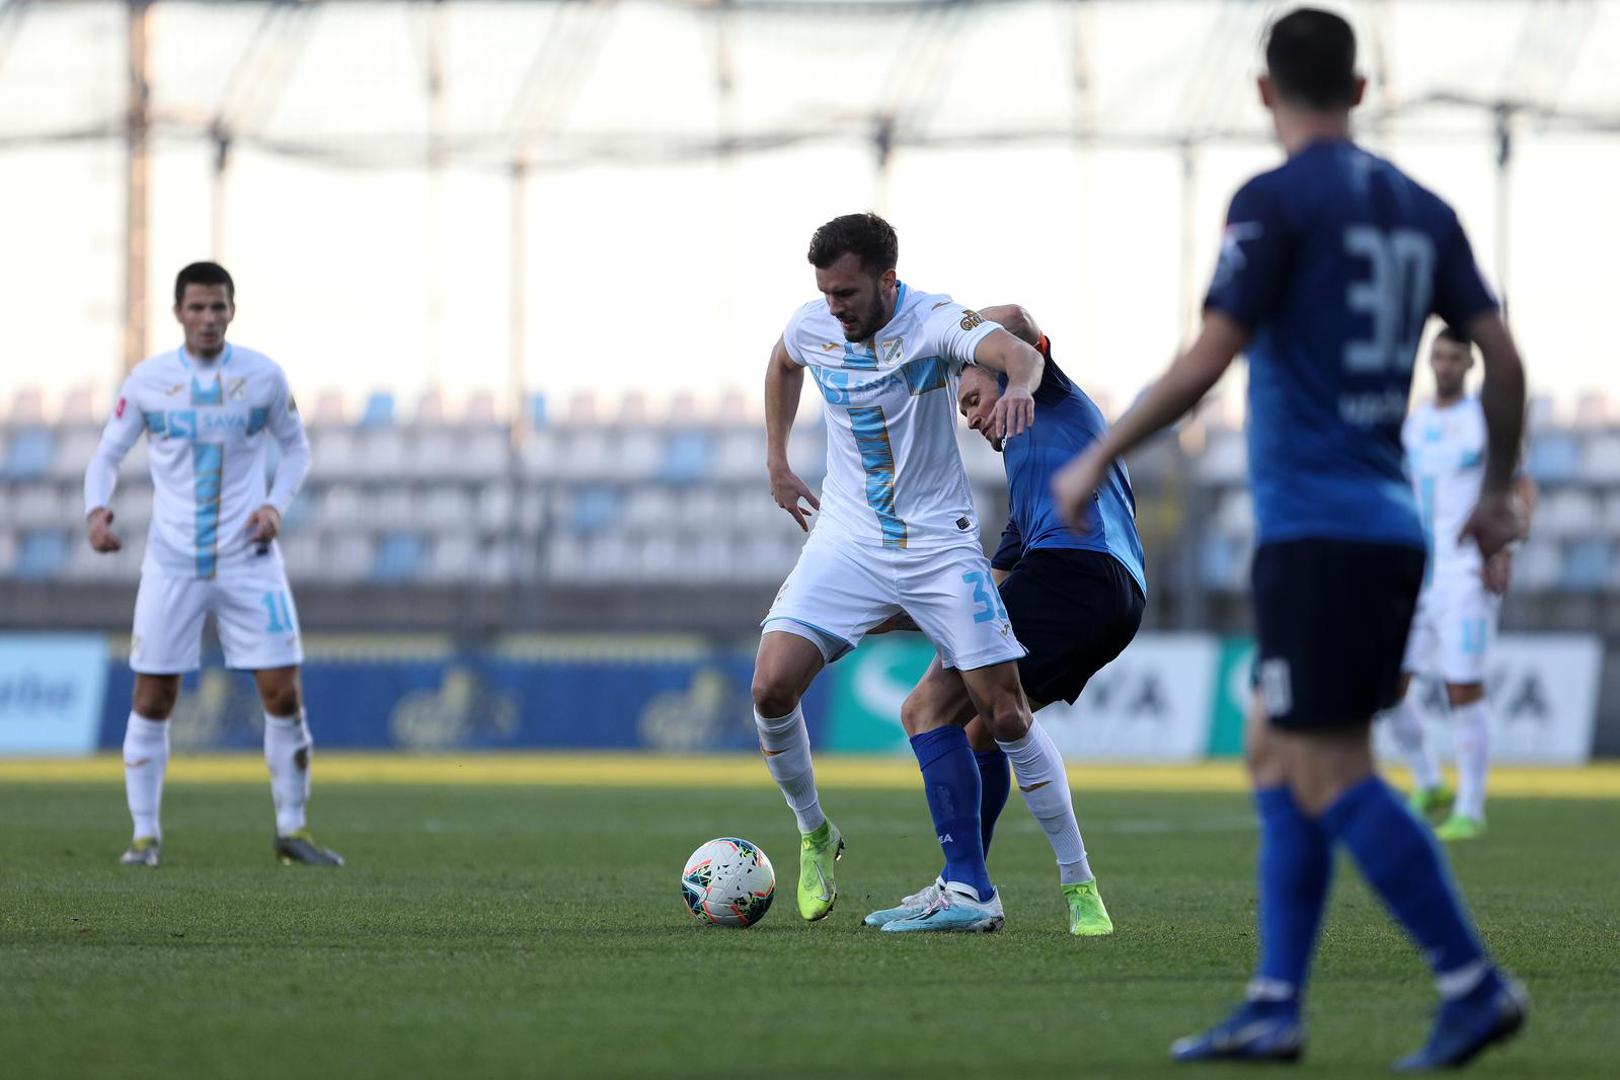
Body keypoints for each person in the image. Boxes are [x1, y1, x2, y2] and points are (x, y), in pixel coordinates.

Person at [1052, 9, 1527, 1069]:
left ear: (1266, 93)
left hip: (1318, 532)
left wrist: (1097, 453)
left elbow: (1209, 356)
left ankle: (1472, 982)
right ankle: (1274, 1001)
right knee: (1273, 746)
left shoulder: (1272, 200)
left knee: (1329, 768)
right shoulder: (1426, 209)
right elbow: (1503, 353)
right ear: (1358, 91)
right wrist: (1499, 490)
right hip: (1390, 525)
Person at [756, 212, 1051, 932]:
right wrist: (777, 460)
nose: (835, 307)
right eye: (826, 293)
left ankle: (1048, 882)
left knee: (1000, 710)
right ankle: (815, 833)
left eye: (847, 292)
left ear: (888, 280)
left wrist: (1018, 385)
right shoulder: (813, 325)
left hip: (935, 543)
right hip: (847, 540)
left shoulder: (934, 321)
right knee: (770, 687)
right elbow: (783, 363)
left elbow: (1017, 346)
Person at [862, 306, 1145, 936]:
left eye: (972, 400)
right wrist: (882, 614)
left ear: (1002, 369)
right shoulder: (1027, 496)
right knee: (981, 731)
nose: (970, 419)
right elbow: (980, 604)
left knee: (925, 711)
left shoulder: (1044, 390)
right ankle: (973, 884)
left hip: (1074, 569)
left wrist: (940, 338)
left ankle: (971, 888)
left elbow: (1015, 317)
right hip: (1114, 599)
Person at [84, 261, 342, 868]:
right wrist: (96, 510)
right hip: (173, 563)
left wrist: (275, 506)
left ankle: (292, 829)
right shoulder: (148, 381)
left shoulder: (263, 377)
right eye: (197, 307)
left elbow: (297, 450)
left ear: (232, 310)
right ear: (178, 312)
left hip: (250, 559)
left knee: (283, 691)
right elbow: (107, 455)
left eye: (218, 307)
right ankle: (144, 836)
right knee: (153, 696)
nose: (208, 318)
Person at [1383, 326, 1537, 840]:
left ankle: (1470, 807)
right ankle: (1429, 781)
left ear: (1470, 364)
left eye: (1455, 357)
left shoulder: (1484, 421)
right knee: (1385, 687)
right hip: (1414, 574)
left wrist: (1507, 547)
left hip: (1466, 570)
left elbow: (1520, 488)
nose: (1445, 366)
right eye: (1439, 356)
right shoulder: (1415, 424)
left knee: (1462, 687)